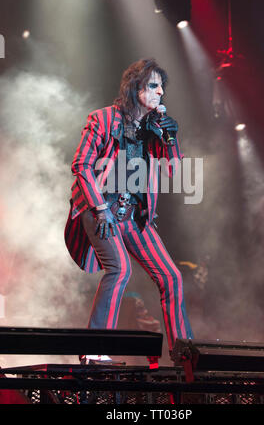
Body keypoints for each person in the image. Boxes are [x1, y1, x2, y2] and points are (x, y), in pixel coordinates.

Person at [64, 58, 193, 366]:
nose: (161, 91)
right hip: (100, 209)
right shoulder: (103, 119)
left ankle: (184, 356)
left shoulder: (155, 129)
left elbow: (177, 173)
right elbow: (81, 165)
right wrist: (100, 209)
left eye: (162, 86)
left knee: (172, 277)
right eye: (153, 85)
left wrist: (172, 138)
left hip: (135, 216)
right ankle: (94, 350)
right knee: (119, 269)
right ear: (136, 88)